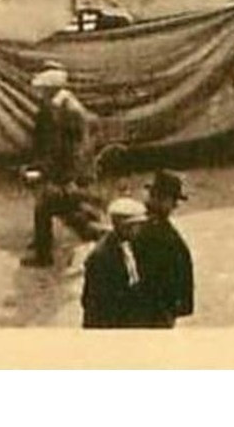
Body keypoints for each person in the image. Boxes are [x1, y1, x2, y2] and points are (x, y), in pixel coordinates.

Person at [21, 64, 107, 268]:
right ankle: (98, 233)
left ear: (49, 89)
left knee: (47, 207)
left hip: (69, 172)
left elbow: (60, 149)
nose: (39, 93)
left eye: (42, 89)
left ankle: (44, 256)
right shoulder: (68, 104)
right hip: (76, 169)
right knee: (67, 212)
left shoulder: (59, 111)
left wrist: (44, 172)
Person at [130, 172, 195, 328]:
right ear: (160, 198)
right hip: (154, 311)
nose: (175, 206)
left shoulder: (144, 224)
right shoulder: (153, 230)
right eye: (172, 200)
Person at [81, 197, 150, 329]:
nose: (140, 229)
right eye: (137, 226)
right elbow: (94, 303)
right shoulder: (103, 257)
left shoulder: (126, 244)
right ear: (124, 226)